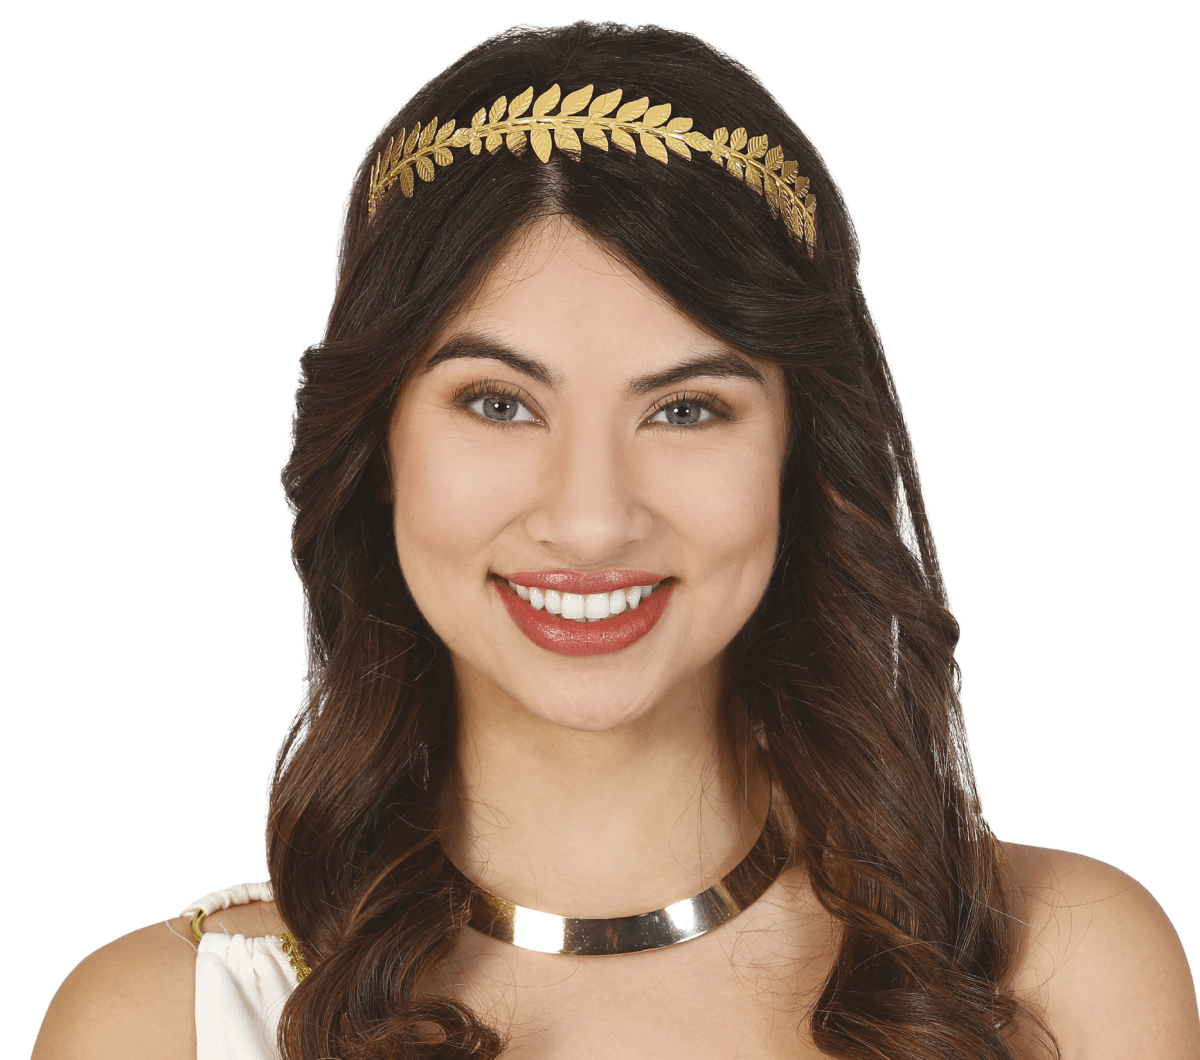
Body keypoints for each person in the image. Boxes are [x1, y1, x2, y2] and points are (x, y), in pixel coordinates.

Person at [33, 20, 1199, 1060]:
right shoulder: (164, 1027)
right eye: (499, 402)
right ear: (379, 444)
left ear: (800, 453)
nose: (590, 518)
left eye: (685, 409)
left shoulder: (1052, 977)